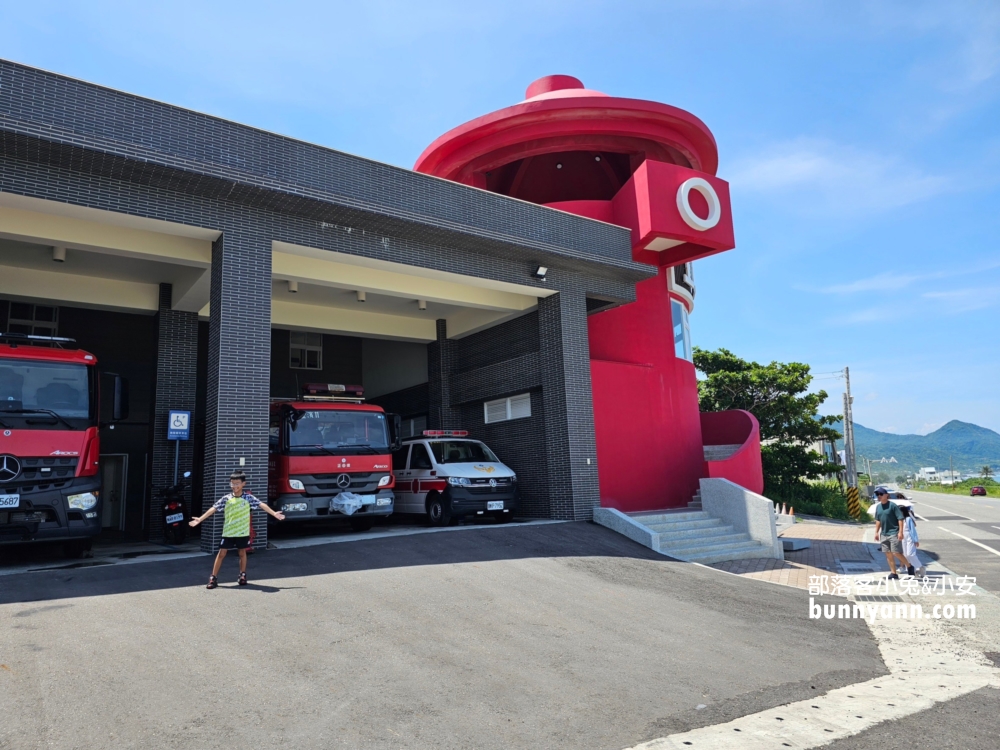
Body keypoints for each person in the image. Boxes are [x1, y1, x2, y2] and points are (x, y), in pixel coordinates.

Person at [189, 470, 285, 589]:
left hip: (243, 531)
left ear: (243, 483)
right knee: (222, 553)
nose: (234, 486)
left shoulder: (248, 497)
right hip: (228, 531)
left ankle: (242, 575)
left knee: (242, 552)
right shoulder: (226, 498)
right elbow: (213, 509)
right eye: (232, 483)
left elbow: (261, 504)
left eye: (237, 483)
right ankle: (213, 578)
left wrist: (274, 513)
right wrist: (200, 519)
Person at [873, 487, 908, 580]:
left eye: (881, 494)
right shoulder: (878, 507)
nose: (879, 496)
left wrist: (900, 532)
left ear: (886, 495)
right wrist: (876, 532)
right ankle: (893, 573)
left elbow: (900, 519)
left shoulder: (893, 506)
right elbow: (878, 520)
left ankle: (909, 566)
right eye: (877, 494)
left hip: (894, 532)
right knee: (888, 554)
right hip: (884, 534)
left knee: (896, 552)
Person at [900, 506, 925, 578]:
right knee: (905, 555)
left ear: (903, 512)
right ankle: (913, 571)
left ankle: (920, 567)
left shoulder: (908, 519)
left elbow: (913, 530)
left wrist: (916, 540)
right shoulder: (900, 519)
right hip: (903, 538)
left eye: (900, 511)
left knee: (910, 554)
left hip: (909, 537)